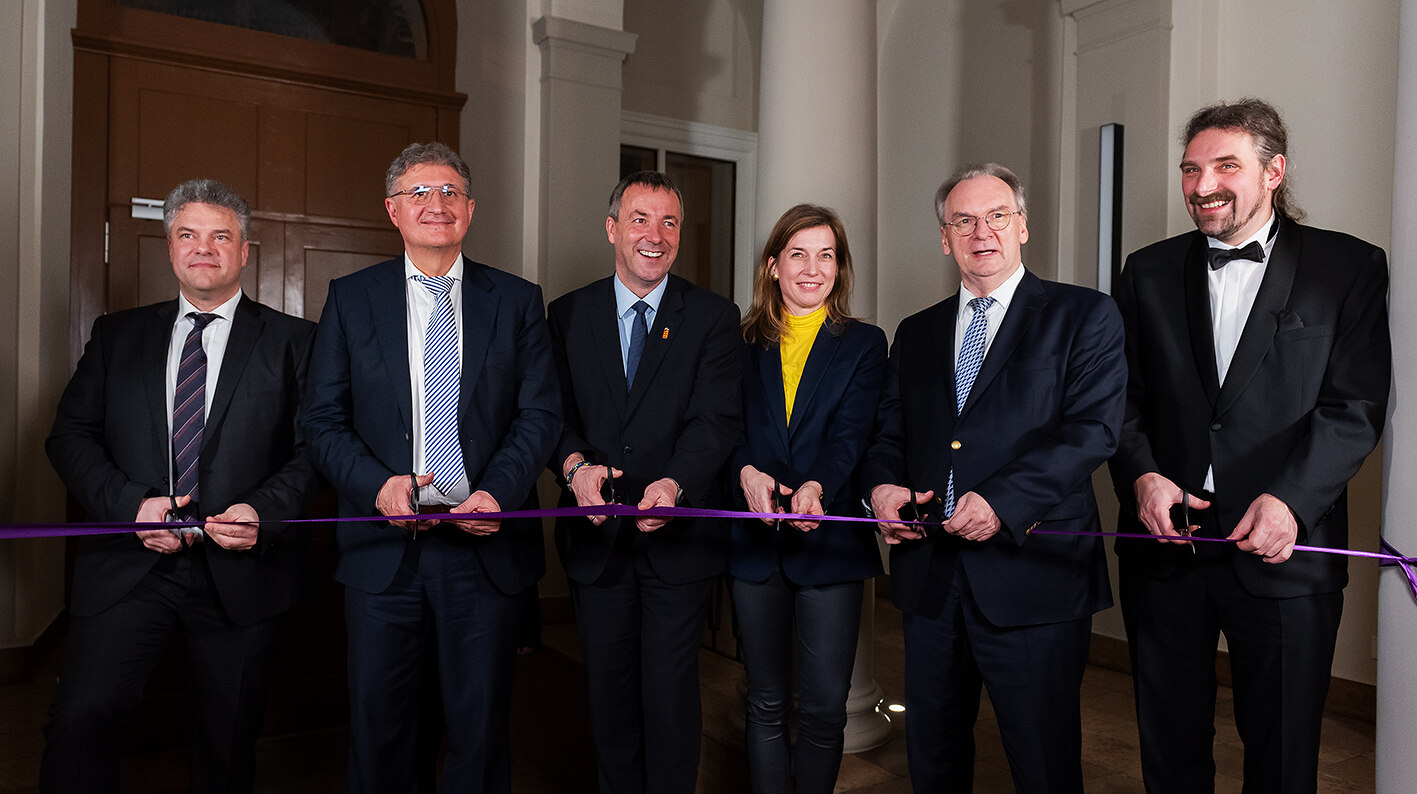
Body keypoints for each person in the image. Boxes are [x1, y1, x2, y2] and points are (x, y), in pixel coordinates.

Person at [1109, 98, 1391, 793]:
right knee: (1168, 745)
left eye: (1224, 166)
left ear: (1274, 171)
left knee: (1282, 749)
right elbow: (1118, 400)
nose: (1202, 185)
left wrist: (1289, 504)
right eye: (1189, 169)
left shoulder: (1347, 266)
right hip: (1166, 546)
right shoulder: (1144, 271)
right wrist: (1142, 478)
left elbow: (1354, 406)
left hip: (1285, 550)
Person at [42, 179, 318, 793]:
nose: (204, 248)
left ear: (245, 252)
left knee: (227, 740)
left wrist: (262, 510)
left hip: (240, 573)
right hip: (128, 568)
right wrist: (131, 507)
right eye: (188, 235)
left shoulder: (295, 341)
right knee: (81, 718)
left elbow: (312, 452)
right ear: (170, 249)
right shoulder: (117, 336)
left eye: (221, 236)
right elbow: (69, 438)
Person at [300, 142, 560, 793]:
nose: (434, 204)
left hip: (484, 548)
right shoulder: (352, 300)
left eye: (448, 192)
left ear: (469, 210)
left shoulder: (518, 302)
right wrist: (376, 484)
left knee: (479, 732)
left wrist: (498, 492)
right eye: (418, 193)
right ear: (392, 210)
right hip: (383, 551)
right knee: (382, 731)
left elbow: (539, 415)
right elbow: (320, 421)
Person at [862, 163, 1126, 792]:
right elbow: (888, 435)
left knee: (1043, 763)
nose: (982, 232)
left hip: (1033, 578)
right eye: (963, 220)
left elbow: (1092, 431)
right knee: (933, 759)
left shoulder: (1083, 316)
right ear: (945, 238)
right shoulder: (917, 331)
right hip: (931, 581)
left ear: (1023, 227)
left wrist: (1003, 502)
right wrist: (882, 488)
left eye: (997, 216)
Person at [547, 170, 741, 794]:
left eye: (669, 223)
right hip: (596, 541)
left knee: (670, 694)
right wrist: (575, 470)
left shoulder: (713, 317)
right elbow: (551, 417)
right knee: (608, 696)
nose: (654, 236)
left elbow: (714, 420)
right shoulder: (566, 315)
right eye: (639, 219)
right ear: (612, 229)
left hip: (676, 542)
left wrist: (676, 484)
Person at [729, 203, 885, 793]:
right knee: (765, 703)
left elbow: (854, 432)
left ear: (839, 269)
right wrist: (745, 469)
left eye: (827, 255)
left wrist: (817, 484)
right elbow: (724, 428)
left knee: (824, 709)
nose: (812, 268)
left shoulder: (865, 343)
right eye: (798, 253)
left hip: (831, 544)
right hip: (753, 543)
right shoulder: (739, 340)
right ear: (773, 266)